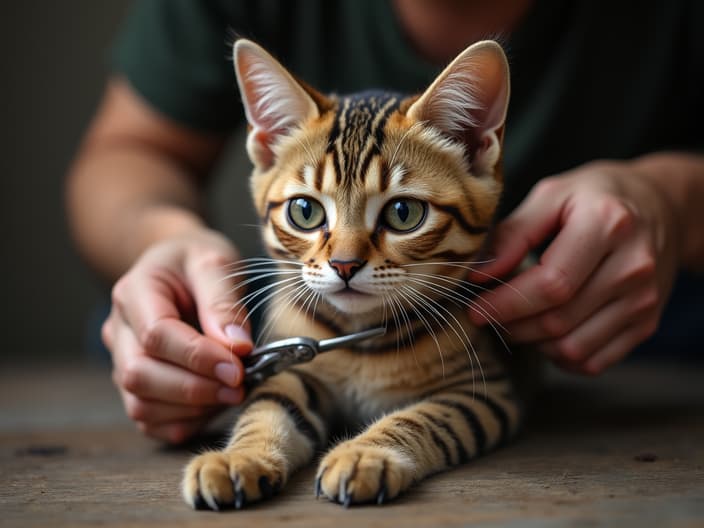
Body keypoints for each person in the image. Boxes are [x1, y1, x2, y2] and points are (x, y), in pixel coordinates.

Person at [66, 0, 704, 444]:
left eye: (400, 212)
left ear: (478, 143)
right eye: (307, 211)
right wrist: (165, 237)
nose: (343, 257)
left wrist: (675, 199)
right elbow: (130, 151)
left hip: (636, 350)